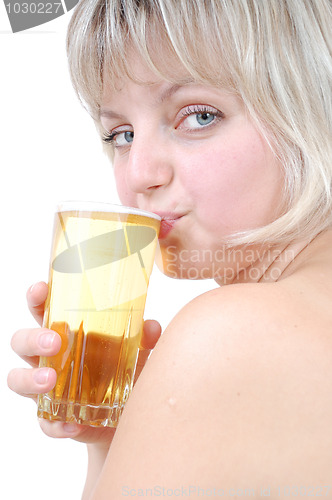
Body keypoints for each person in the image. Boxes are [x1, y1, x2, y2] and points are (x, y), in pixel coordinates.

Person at [7, 0, 332, 498]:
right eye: (122, 134)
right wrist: (116, 436)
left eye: (198, 116)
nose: (140, 174)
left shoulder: (231, 333)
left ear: (307, 100)